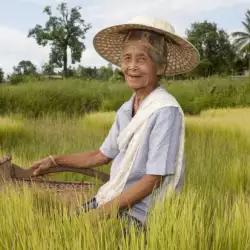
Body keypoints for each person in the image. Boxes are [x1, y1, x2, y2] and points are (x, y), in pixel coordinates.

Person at [31, 16, 200, 228]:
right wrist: (55, 161)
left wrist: (100, 214)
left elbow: (152, 180)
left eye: (142, 59)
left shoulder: (165, 111)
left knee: (79, 232)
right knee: (61, 227)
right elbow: (101, 155)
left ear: (160, 67)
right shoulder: (126, 110)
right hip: (113, 197)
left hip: (141, 212)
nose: (132, 66)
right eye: (127, 58)